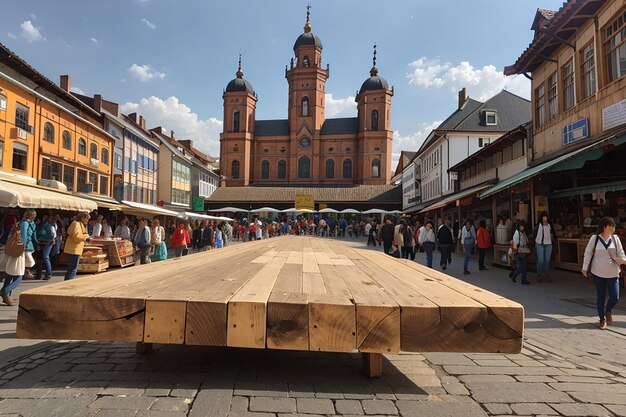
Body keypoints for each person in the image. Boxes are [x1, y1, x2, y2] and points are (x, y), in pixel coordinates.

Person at [582, 217, 626, 330]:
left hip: (613, 272)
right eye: (610, 226)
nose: (612, 228)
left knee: (615, 296)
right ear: (604, 227)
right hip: (598, 272)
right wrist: (584, 267)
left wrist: (623, 260)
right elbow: (588, 253)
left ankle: (608, 310)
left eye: (613, 226)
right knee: (600, 296)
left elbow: (621, 252)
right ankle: (602, 319)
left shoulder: (615, 239)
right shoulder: (594, 238)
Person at [0, 210, 38, 306]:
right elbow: (24, 237)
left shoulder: (20, 222)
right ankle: (4, 291)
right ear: (32, 216)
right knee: (19, 276)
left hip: (13, 250)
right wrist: (23, 248)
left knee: (10, 274)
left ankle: (7, 296)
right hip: (18, 251)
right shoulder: (25, 224)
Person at [63, 212, 90, 281]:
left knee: (72, 267)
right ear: (82, 218)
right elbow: (76, 236)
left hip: (74, 249)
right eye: (87, 218)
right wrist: (85, 237)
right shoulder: (76, 224)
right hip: (74, 249)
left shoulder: (80, 224)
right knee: (73, 268)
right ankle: (69, 282)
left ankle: (67, 281)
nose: (87, 220)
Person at [534, 212, 556, 282]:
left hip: (548, 244)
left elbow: (553, 233)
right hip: (540, 244)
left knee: (547, 261)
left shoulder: (549, 225)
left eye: (546, 216)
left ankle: (547, 275)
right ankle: (539, 275)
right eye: (543, 216)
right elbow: (534, 234)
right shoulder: (538, 225)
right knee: (540, 260)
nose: (545, 218)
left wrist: (553, 238)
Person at [39, 213, 57, 280]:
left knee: (45, 257)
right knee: (45, 257)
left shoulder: (48, 225)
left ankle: (48, 273)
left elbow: (52, 234)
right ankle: (46, 273)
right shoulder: (50, 225)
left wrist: (52, 239)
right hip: (46, 241)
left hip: (47, 242)